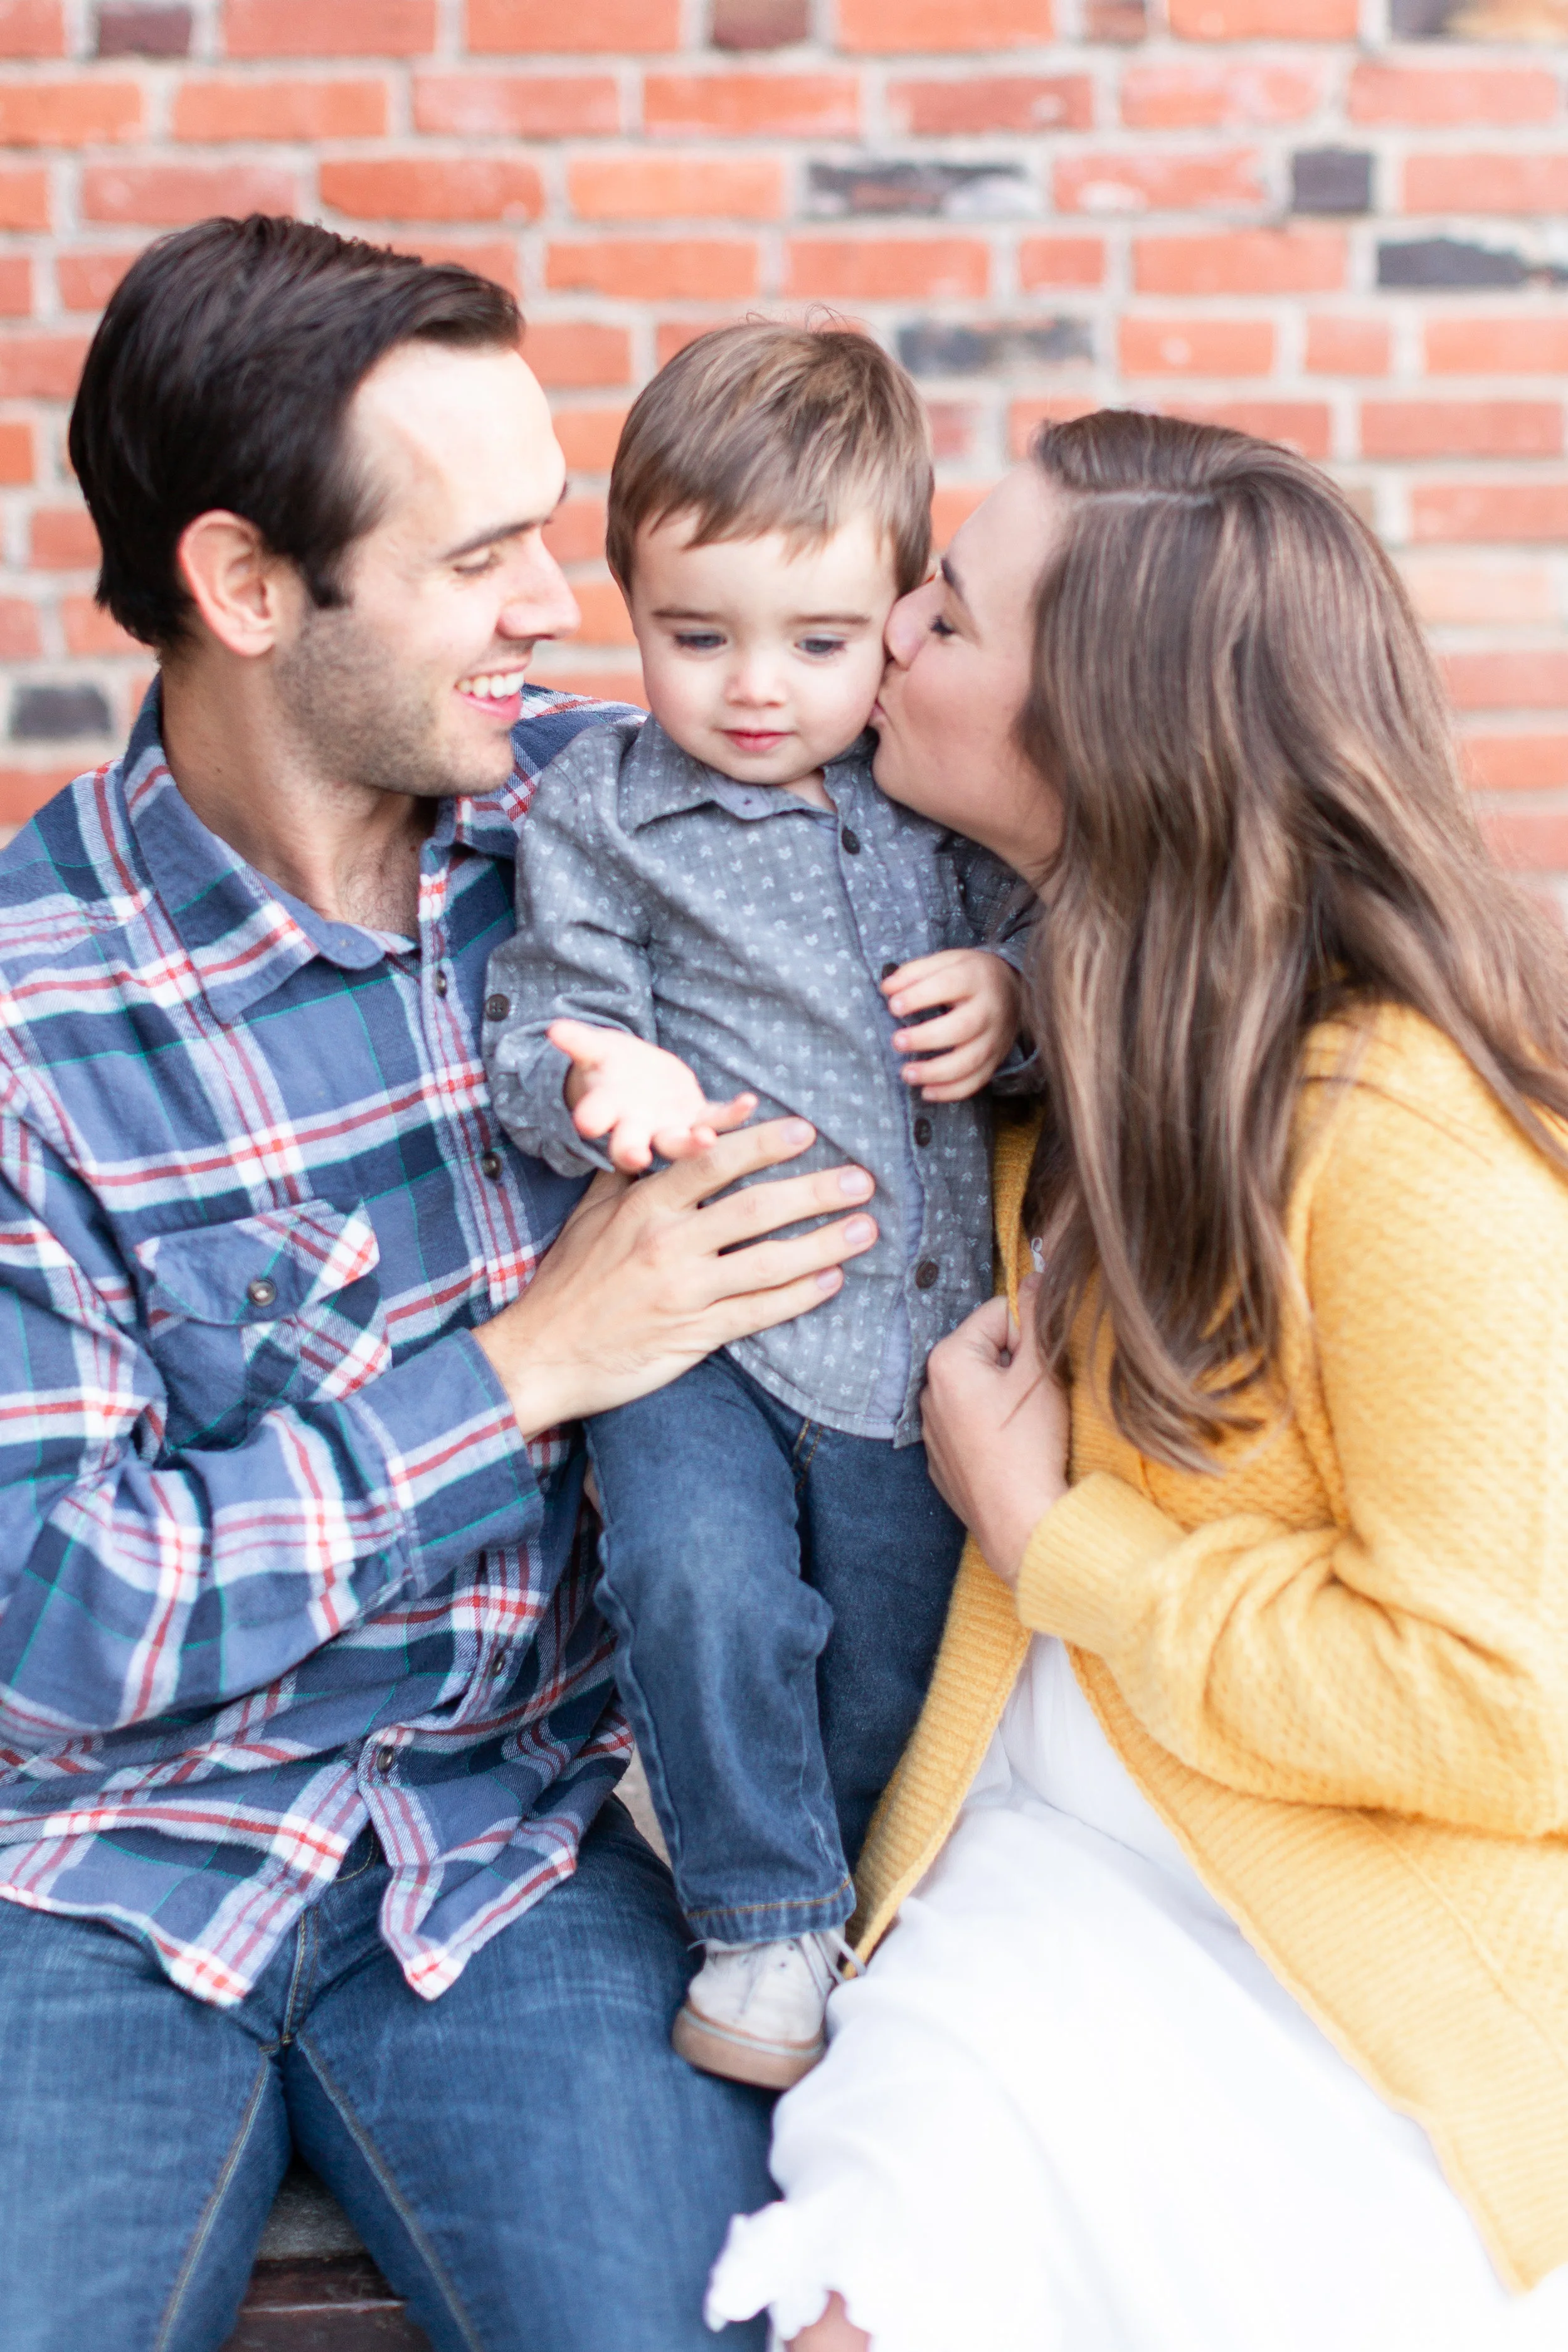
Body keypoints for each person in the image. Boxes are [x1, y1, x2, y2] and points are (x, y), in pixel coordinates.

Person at [0, 215, 885, 2352]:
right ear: (245, 585)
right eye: (481, 556)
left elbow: (1034, 806)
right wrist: (521, 1368)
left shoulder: (622, 821)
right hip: (94, 1873)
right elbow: (48, 1612)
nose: (554, 607)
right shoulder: (32, 1012)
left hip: (512, 1849)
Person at [706, 410, 1568, 2351]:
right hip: (1028, 1901)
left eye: (946, 612)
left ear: (1103, 736)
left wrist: (1053, 1536)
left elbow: (1503, 1707)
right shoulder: (1038, 1020)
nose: (887, 626)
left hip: (1326, 1962)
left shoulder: (1399, 1133)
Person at [484, 322, 1032, 2092]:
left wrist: (1013, 999)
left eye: (816, 640)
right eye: (695, 634)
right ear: (630, 605)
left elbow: (1070, 944)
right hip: (700, 1326)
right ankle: (762, 1916)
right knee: (696, 1581)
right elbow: (539, 1021)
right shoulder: (601, 808)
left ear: (898, 615)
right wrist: (600, 1078)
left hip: (906, 1330)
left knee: (885, 1654)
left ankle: (876, 1907)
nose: (752, 689)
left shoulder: (933, 795)